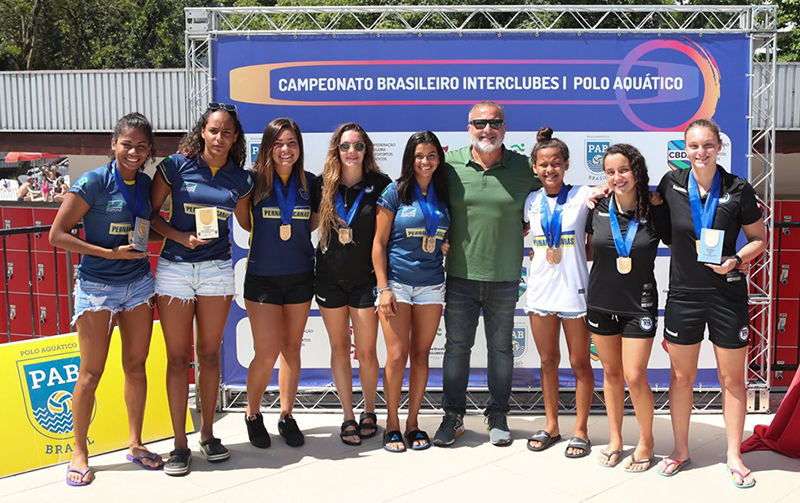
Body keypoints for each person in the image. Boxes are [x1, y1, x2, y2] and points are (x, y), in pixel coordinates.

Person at [50, 112, 162, 486]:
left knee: (136, 366)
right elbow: (57, 235)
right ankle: (79, 452)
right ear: (113, 144)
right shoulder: (93, 181)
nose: (133, 151)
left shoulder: (145, 184)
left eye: (141, 146)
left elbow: (152, 223)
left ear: (148, 151)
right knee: (91, 373)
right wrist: (107, 253)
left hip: (139, 286)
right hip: (97, 287)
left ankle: (135, 443)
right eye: (126, 144)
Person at [655, 119, 764, 488]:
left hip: (726, 294)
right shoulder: (671, 184)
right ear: (684, 150)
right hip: (684, 294)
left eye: (707, 146)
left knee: (732, 379)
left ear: (719, 147)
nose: (700, 153)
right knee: (682, 377)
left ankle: (733, 454)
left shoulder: (737, 188)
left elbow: (758, 239)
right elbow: (655, 222)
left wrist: (736, 260)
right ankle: (680, 450)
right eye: (693, 146)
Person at [150, 102, 252, 476]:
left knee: (209, 356)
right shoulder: (176, 166)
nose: (220, 138)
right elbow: (150, 214)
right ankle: (179, 444)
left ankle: (207, 435)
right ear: (202, 132)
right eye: (214, 130)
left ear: (235, 137)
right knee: (178, 359)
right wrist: (179, 236)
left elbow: (250, 221)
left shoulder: (241, 180)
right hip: (175, 271)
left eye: (227, 132)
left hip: (216, 272)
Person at [433, 101, 541, 447]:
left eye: (494, 123)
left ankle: (497, 414)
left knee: (501, 350)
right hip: (461, 276)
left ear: (505, 128)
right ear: (468, 128)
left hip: (506, 277)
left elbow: (555, 195)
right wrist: (440, 234)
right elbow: (424, 200)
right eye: (479, 123)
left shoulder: (524, 167)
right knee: (456, 348)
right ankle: (453, 416)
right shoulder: (448, 164)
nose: (487, 129)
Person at [585, 144, 671, 471]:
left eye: (624, 170)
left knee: (634, 376)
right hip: (602, 302)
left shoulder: (655, 208)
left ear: (636, 170)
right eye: (610, 172)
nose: (618, 177)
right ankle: (616, 439)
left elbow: (682, 241)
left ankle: (646, 441)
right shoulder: (596, 206)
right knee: (610, 373)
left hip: (640, 304)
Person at [235, 118, 316, 449]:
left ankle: (286, 414)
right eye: (279, 143)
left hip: (300, 276)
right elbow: (243, 221)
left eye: (292, 143)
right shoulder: (252, 183)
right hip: (263, 277)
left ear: (299, 147)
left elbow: (310, 225)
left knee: (292, 349)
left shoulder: (310, 183)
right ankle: (253, 414)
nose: (286, 150)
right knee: (266, 352)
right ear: (267, 147)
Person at [312, 122, 391, 446]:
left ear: (366, 150)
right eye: (345, 146)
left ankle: (369, 410)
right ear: (336, 150)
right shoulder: (323, 186)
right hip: (329, 278)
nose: (352, 152)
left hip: (365, 281)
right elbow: (307, 224)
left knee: (368, 351)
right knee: (339, 349)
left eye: (358, 146)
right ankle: (347, 414)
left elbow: (390, 233)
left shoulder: (380, 184)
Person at [373, 131, 450, 452]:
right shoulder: (395, 191)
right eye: (420, 155)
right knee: (396, 355)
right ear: (410, 158)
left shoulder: (445, 192)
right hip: (398, 285)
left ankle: (413, 422)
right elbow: (378, 243)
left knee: (421, 356)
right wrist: (384, 287)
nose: (426, 161)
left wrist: (445, 243)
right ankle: (391, 423)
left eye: (432, 155)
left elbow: (450, 232)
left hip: (432, 284)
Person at [523, 127, 594, 458]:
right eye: (543, 164)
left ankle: (580, 429)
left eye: (555, 163)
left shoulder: (583, 196)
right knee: (548, 361)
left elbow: (613, 186)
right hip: (540, 291)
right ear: (535, 168)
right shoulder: (531, 201)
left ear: (566, 164)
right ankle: (551, 424)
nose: (549, 170)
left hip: (575, 292)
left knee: (580, 363)